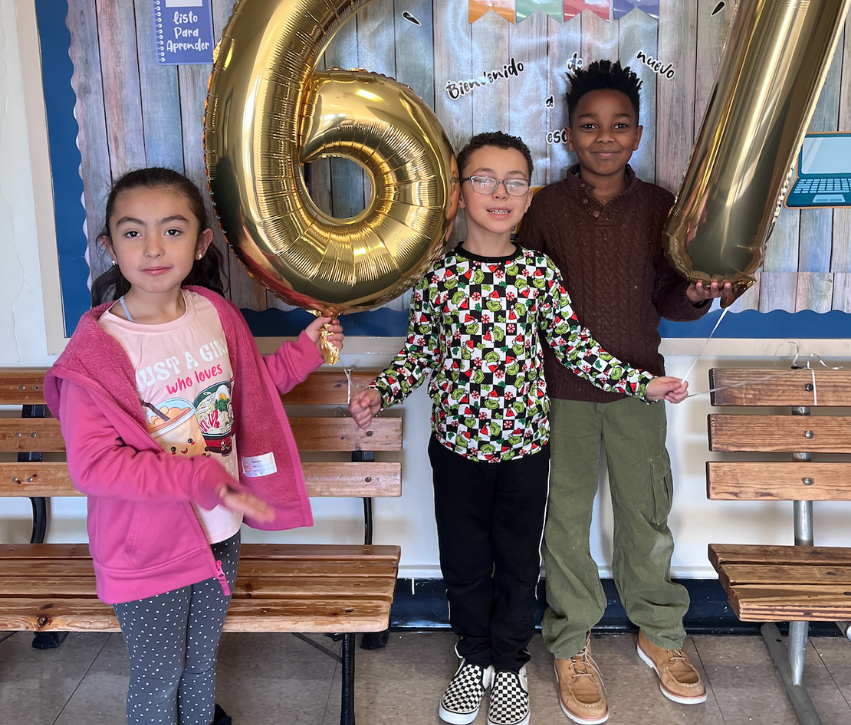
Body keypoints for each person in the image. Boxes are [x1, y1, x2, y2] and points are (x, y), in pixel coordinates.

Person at [349, 132, 688, 725]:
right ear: (458, 193)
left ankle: (508, 664)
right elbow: (418, 357)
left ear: (528, 197)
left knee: (516, 559)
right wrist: (380, 392)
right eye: (483, 179)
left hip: (527, 450)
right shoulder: (438, 275)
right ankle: (473, 656)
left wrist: (641, 383)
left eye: (513, 181)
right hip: (456, 450)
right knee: (463, 561)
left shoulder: (539, 274)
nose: (498, 193)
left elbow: (576, 349)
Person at [44, 167, 343, 725]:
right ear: (110, 246)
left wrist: (305, 352)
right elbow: (94, 467)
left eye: (173, 230)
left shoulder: (213, 313)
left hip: (219, 534)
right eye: (133, 233)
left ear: (202, 241)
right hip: (147, 552)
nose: (153, 248)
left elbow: (245, 393)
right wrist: (197, 476)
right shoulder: (96, 351)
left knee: (201, 665)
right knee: (158, 683)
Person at [517, 60, 731, 720]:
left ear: (637, 135)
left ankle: (661, 633)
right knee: (566, 520)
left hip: (642, 389)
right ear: (568, 135)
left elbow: (670, 293)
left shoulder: (662, 206)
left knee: (646, 514)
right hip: (561, 394)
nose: (603, 137)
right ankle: (571, 640)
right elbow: (522, 295)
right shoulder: (545, 208)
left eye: (618, 126)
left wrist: (694, 293)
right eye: (588, 125)